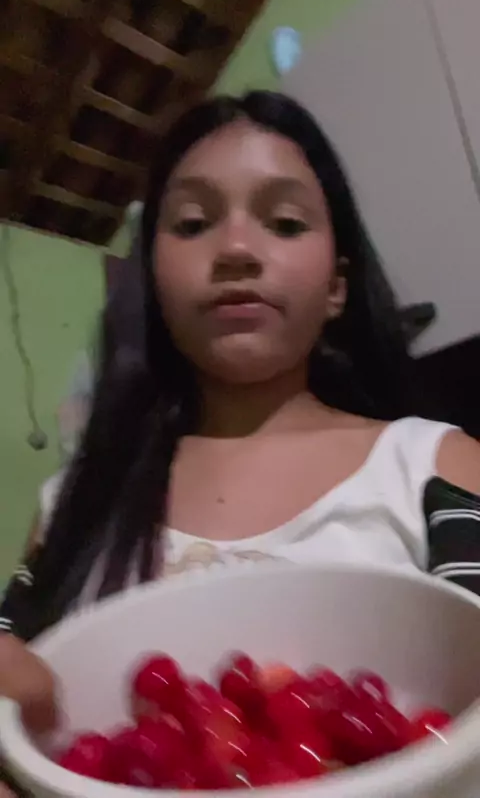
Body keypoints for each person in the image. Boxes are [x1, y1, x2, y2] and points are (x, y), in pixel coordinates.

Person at [1, 92, 480, 792]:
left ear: (338, 285)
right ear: (154, 279)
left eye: (284, 222)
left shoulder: (436, 465)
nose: (234, 250)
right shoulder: (72, 506)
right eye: (193, 224)